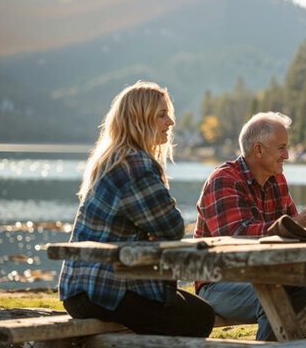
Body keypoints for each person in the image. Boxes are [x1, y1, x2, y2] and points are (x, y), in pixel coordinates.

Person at [194, 112, 306, 341]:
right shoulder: (223, 180)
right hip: (219, 283)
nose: (287, 155)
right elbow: (236, 239)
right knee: (277, 302)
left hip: (276, 281)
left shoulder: (278, 180)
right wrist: (294, 224)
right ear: (258, 150)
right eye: (281, 147)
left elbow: (300, 237)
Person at [58, 81, 215, 337]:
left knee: (194, 312)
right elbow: (172, 227)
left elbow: (161, 228)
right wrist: (153, 232)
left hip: (82, 289)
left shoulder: (114, 157)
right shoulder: (134, 165)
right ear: (140, 120)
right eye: (162, 115)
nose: (170, 122)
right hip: (104, 289)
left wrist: (152, 231)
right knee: (199, 317)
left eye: (169, 114)